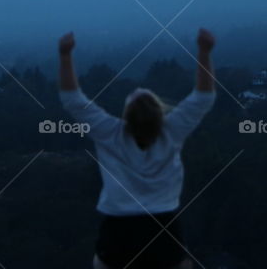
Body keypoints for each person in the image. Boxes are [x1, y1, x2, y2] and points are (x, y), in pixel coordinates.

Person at [57, 28, 217, 269]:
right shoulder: (171, 132)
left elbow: (73, 100)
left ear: (127, 116)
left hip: (119, 229)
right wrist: (205, 52)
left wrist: (65, 55)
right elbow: (203, 97)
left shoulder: (110, 132)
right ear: (160, 113)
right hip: (163, 226)